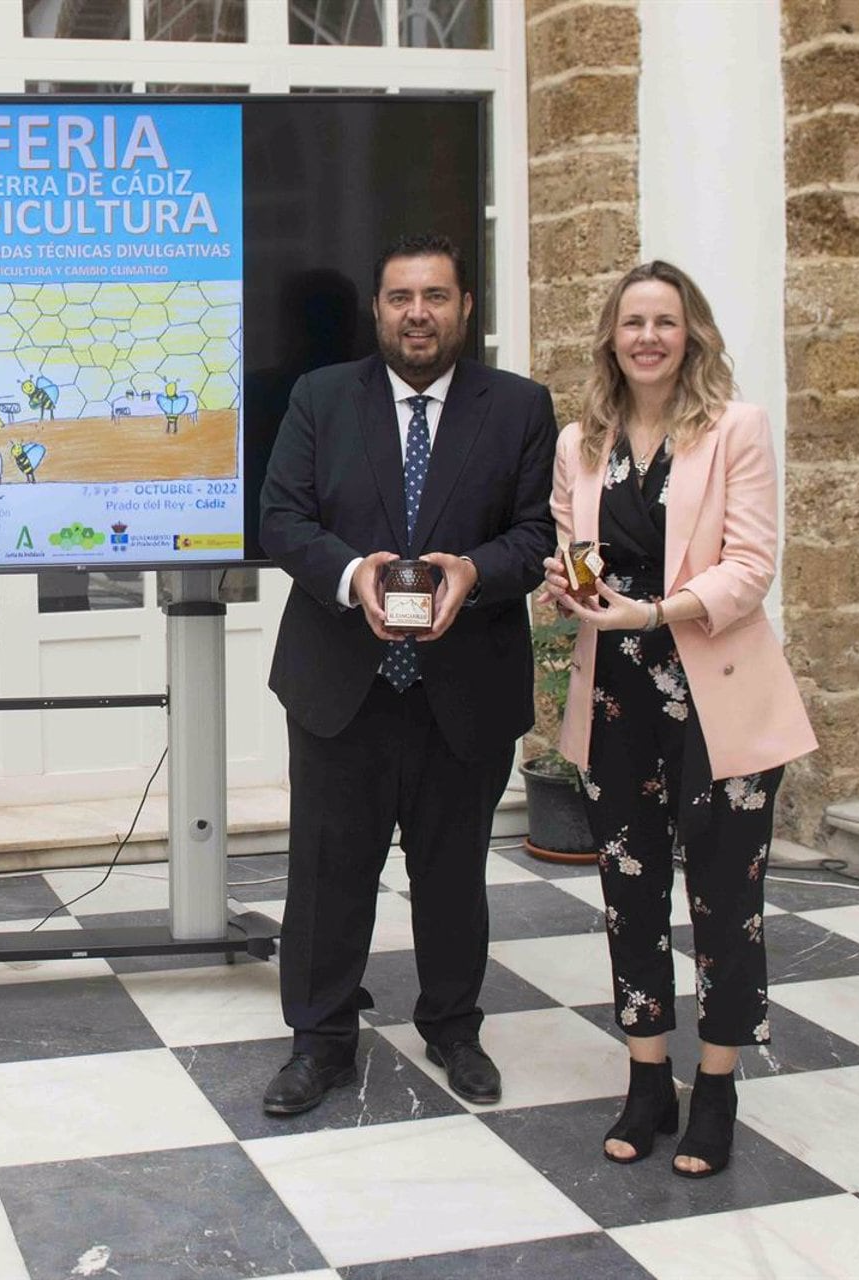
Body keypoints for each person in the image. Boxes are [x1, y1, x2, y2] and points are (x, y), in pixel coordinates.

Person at [258, 234, 556, 1115]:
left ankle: (454, 1026)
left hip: (465, 686)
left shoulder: (519, 407)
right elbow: (282, 518)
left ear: (465, 308)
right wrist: (354, 577)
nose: (417, 313)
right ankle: (320, 1042)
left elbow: (536, 537)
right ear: (377, 311)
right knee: (326, 870)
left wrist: (474, 572)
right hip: (339, 682)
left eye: (434, 296)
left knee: (455, 869)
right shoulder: (320, 398)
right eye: (399, 298)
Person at [541, 261, 816, 1177]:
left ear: (690, 333)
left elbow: (752, 565)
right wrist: (566, 585)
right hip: (615, 696)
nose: (648, 336)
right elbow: (570, 549)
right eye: (633, 322)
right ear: (611, 338)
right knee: (630, 894)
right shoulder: (582, 441)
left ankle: (720, 1084)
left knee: (726, 902)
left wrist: (655, 612)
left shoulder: (734, 429)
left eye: (665, 320)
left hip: (716, 698)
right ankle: (649, 1078)